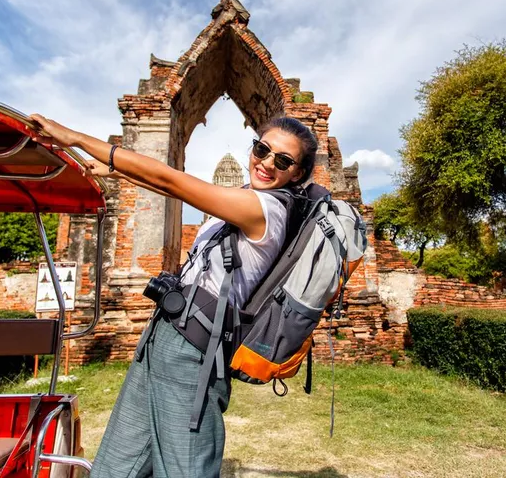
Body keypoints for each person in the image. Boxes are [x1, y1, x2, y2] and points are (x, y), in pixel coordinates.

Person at [30, 113, 345, 478]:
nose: (267, 162)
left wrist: (75, 136)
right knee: (115, 468)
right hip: (163, 335)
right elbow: (168, 187)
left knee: (186, 470)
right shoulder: (243, 196)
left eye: (283, 160)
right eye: (262, 149)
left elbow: (171, 180)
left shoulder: (267, 209)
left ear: (298, 173)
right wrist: (117, 171)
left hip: (194, 351)